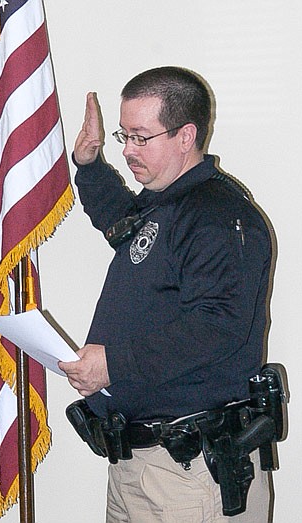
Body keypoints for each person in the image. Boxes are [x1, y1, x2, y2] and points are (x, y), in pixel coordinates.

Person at [58, 66, 275, 522]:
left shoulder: (217, 217)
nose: (129, 150)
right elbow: (125, 229)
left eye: (141, 137)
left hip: (192, 471)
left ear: (185, 135)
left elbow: (217, 327)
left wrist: (112, 365)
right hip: (139, 466)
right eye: (124, 135)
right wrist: (90, 165)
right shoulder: (168, 205)